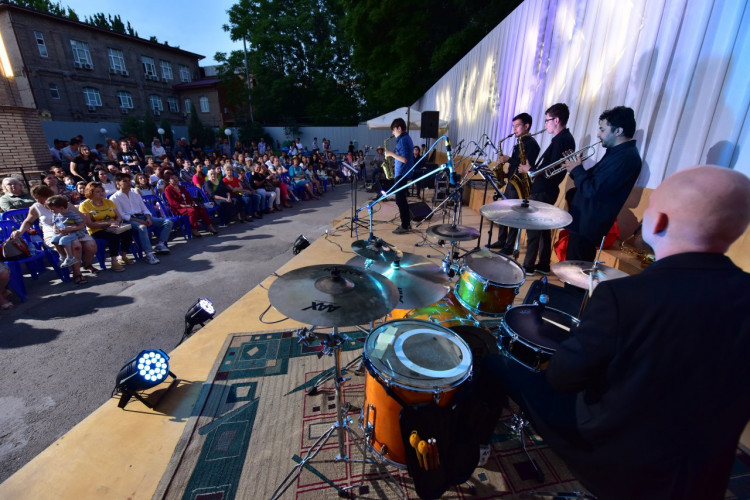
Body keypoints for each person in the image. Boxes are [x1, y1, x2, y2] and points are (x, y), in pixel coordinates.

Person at [477, 165, 750, 499]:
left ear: (659, 221)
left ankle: (475, 445)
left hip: (615, 457)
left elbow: (562, 379)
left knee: (492, 364)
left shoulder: (624, 299)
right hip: (705, 468)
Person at [563, 106, 643, 261]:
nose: (598, 134)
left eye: (602, 129)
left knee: (576, 275)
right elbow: (592, 181)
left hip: (588, 226)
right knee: (572, 272)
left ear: (618, 131)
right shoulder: (616, 154)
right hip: (582, 223)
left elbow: (593, 191)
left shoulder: (626, 158)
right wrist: (574, 168)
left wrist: (578, 169)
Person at [518, 103, 575, 274]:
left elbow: (550, 167)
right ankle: (543, 264)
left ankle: (528, 266)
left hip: (543, 190)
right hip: (546, 188)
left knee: (534, 227)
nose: (545, 124)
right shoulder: (563, 138)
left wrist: (531, 171)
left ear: (556, 120)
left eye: (547, 120)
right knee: (543, 229)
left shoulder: (562, 139)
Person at [11, 185, 97, 283]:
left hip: (74, 230)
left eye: (41, 198)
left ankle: (86, 264)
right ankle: (77, 273)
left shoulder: (64, 204)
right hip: (53, 234)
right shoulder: (36, 207)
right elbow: (28, 222)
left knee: (91, 245)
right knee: (75, 245)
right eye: (36, 198)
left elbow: (82, 218)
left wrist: (73, 225)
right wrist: (20, 231)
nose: (39, 201)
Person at [489, 113, 541, 254]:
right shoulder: (520, 142)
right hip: (512, 182)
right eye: (513, 126)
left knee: (513, 216)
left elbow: (524, 165)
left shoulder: (531, 144)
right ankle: (501, 240)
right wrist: (505, 173)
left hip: (519, 186)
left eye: (517, 126)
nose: (514, 129)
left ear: (526, 126)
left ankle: (509, 246)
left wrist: (508, 159)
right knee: (504, 212)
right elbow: (515, 166)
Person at [110, 173, 172, 265]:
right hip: (129, 220)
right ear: (118, 183)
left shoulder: (135, 195)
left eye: (128, 180)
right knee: (142, 227)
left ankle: (161, 244)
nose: (128, 183)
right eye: (124, 181)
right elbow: (122, 215)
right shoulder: (114, 198)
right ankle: (149, 254)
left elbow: (144, 208)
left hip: (142, 216)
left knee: (168, 222)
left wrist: (148, 218)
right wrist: (140, 221)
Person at [79, 182, 134, 272]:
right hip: (97, 230)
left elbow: (119, 216)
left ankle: (123, 255)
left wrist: (116, 222)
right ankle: (114, 261)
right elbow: (89, 224)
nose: (102, 193)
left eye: (102, 191)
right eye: (98, 192)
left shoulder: (108, 202)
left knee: (128, 232)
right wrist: (108, 224)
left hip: (113, 226)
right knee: (113, 237)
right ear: (91, 193)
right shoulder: (85, 205)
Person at [163, 172, 218, 237]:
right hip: (178, 208)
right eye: (172, 178)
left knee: (201, 209)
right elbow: (172, 202)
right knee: (192, 211)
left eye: (176, 177)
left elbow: (188, 196)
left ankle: (210, 226)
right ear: (168, 181)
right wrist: (185, 206)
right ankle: (193, 229)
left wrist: (193, 202)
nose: (175, 179)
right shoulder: (168, 189)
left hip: (188, 205)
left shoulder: (181, 187)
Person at [384, 117, 415, 234]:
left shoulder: (403, 140)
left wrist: (391, 154)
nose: (392, 132)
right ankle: (406, 223)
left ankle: (405, 225)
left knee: (399, 200)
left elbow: (404, 159)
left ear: (399, 128)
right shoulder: (405, 139)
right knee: (401, 199)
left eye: (394, 130)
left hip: (402, 173)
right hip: (401, 172)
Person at [45, 195, 89, 268]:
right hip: (64, 232)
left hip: (77, 232)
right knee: (54, 239)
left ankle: (70, 257)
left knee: (63, 240)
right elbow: (55, 224)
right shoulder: (55, 215)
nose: (51, 211)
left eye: (52, 209)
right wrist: (55, 229)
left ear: (61, 208)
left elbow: (81, 225)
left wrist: (71, 228)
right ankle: (62, 255)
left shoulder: (72, 214)